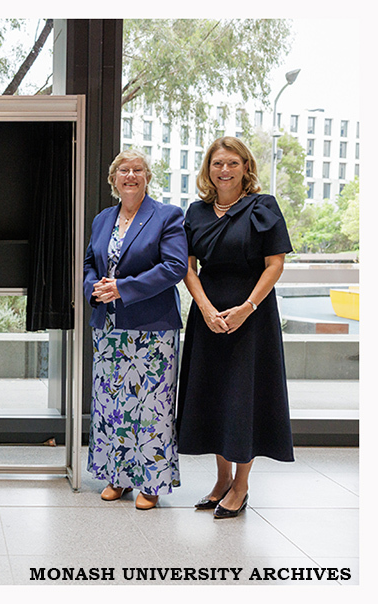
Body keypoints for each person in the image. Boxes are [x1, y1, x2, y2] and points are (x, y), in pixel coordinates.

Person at [176, 136, 294, 519]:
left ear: (246, 166)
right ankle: (222, 478)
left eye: (231, 163)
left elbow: (275, 264)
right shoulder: (195, 211)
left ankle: (241, 485)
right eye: (216, 164)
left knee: (244, 397)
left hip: (251, 315)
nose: (223, 170)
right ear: (207, 169)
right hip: (208, 315)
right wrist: (206, 308)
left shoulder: (263, 206)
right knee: (213, 394)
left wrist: (247, 307)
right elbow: (187, 268)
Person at [83, 149, 188, 510]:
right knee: (113, 405)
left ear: (147, 177)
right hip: (108, 326)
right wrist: (93, 290)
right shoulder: (102, 219)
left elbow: (174, 267)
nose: (131, 175)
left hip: (152, 329)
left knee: (150, 406)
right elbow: (89, 263)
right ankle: (118, 477)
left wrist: (123, 288)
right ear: (114, 179)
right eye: (123, 170)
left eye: (138, 170)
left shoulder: (167, 216)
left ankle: (151, 483)